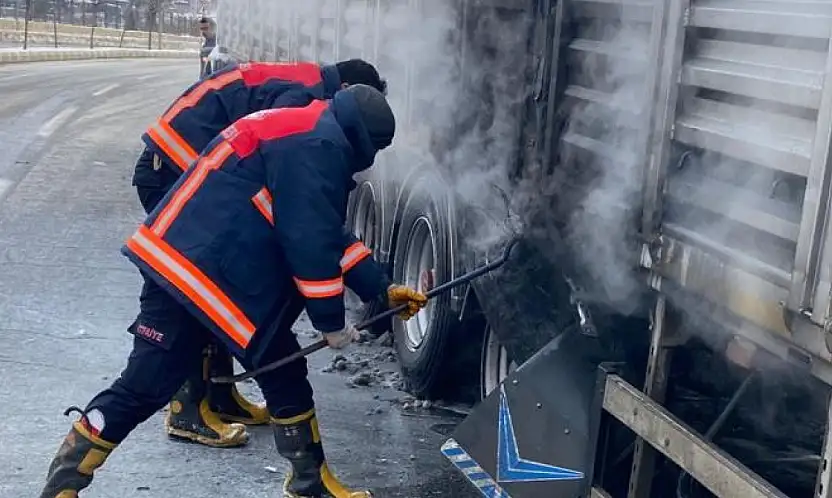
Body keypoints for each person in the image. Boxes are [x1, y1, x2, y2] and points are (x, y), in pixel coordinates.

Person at [40, 85, 425, 498]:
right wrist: (331, 323)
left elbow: (324, 229)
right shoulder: (319, 145)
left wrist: (382, 290)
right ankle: (68, 473)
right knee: (147, 384)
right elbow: (310, 242)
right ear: (365, 140)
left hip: (203, 266)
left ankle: (310, 482)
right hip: (197, 273)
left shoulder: (308, 127)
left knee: (280, 369)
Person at [132, 58, 389, 448]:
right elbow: (280, 190)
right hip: (174, 163)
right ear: (345, 90)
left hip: (179, 158)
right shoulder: (303, 100)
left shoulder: (310, 87)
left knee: (218, 295)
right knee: (204, 287)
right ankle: (187, 410)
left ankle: (220, 397)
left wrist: (374, 283)